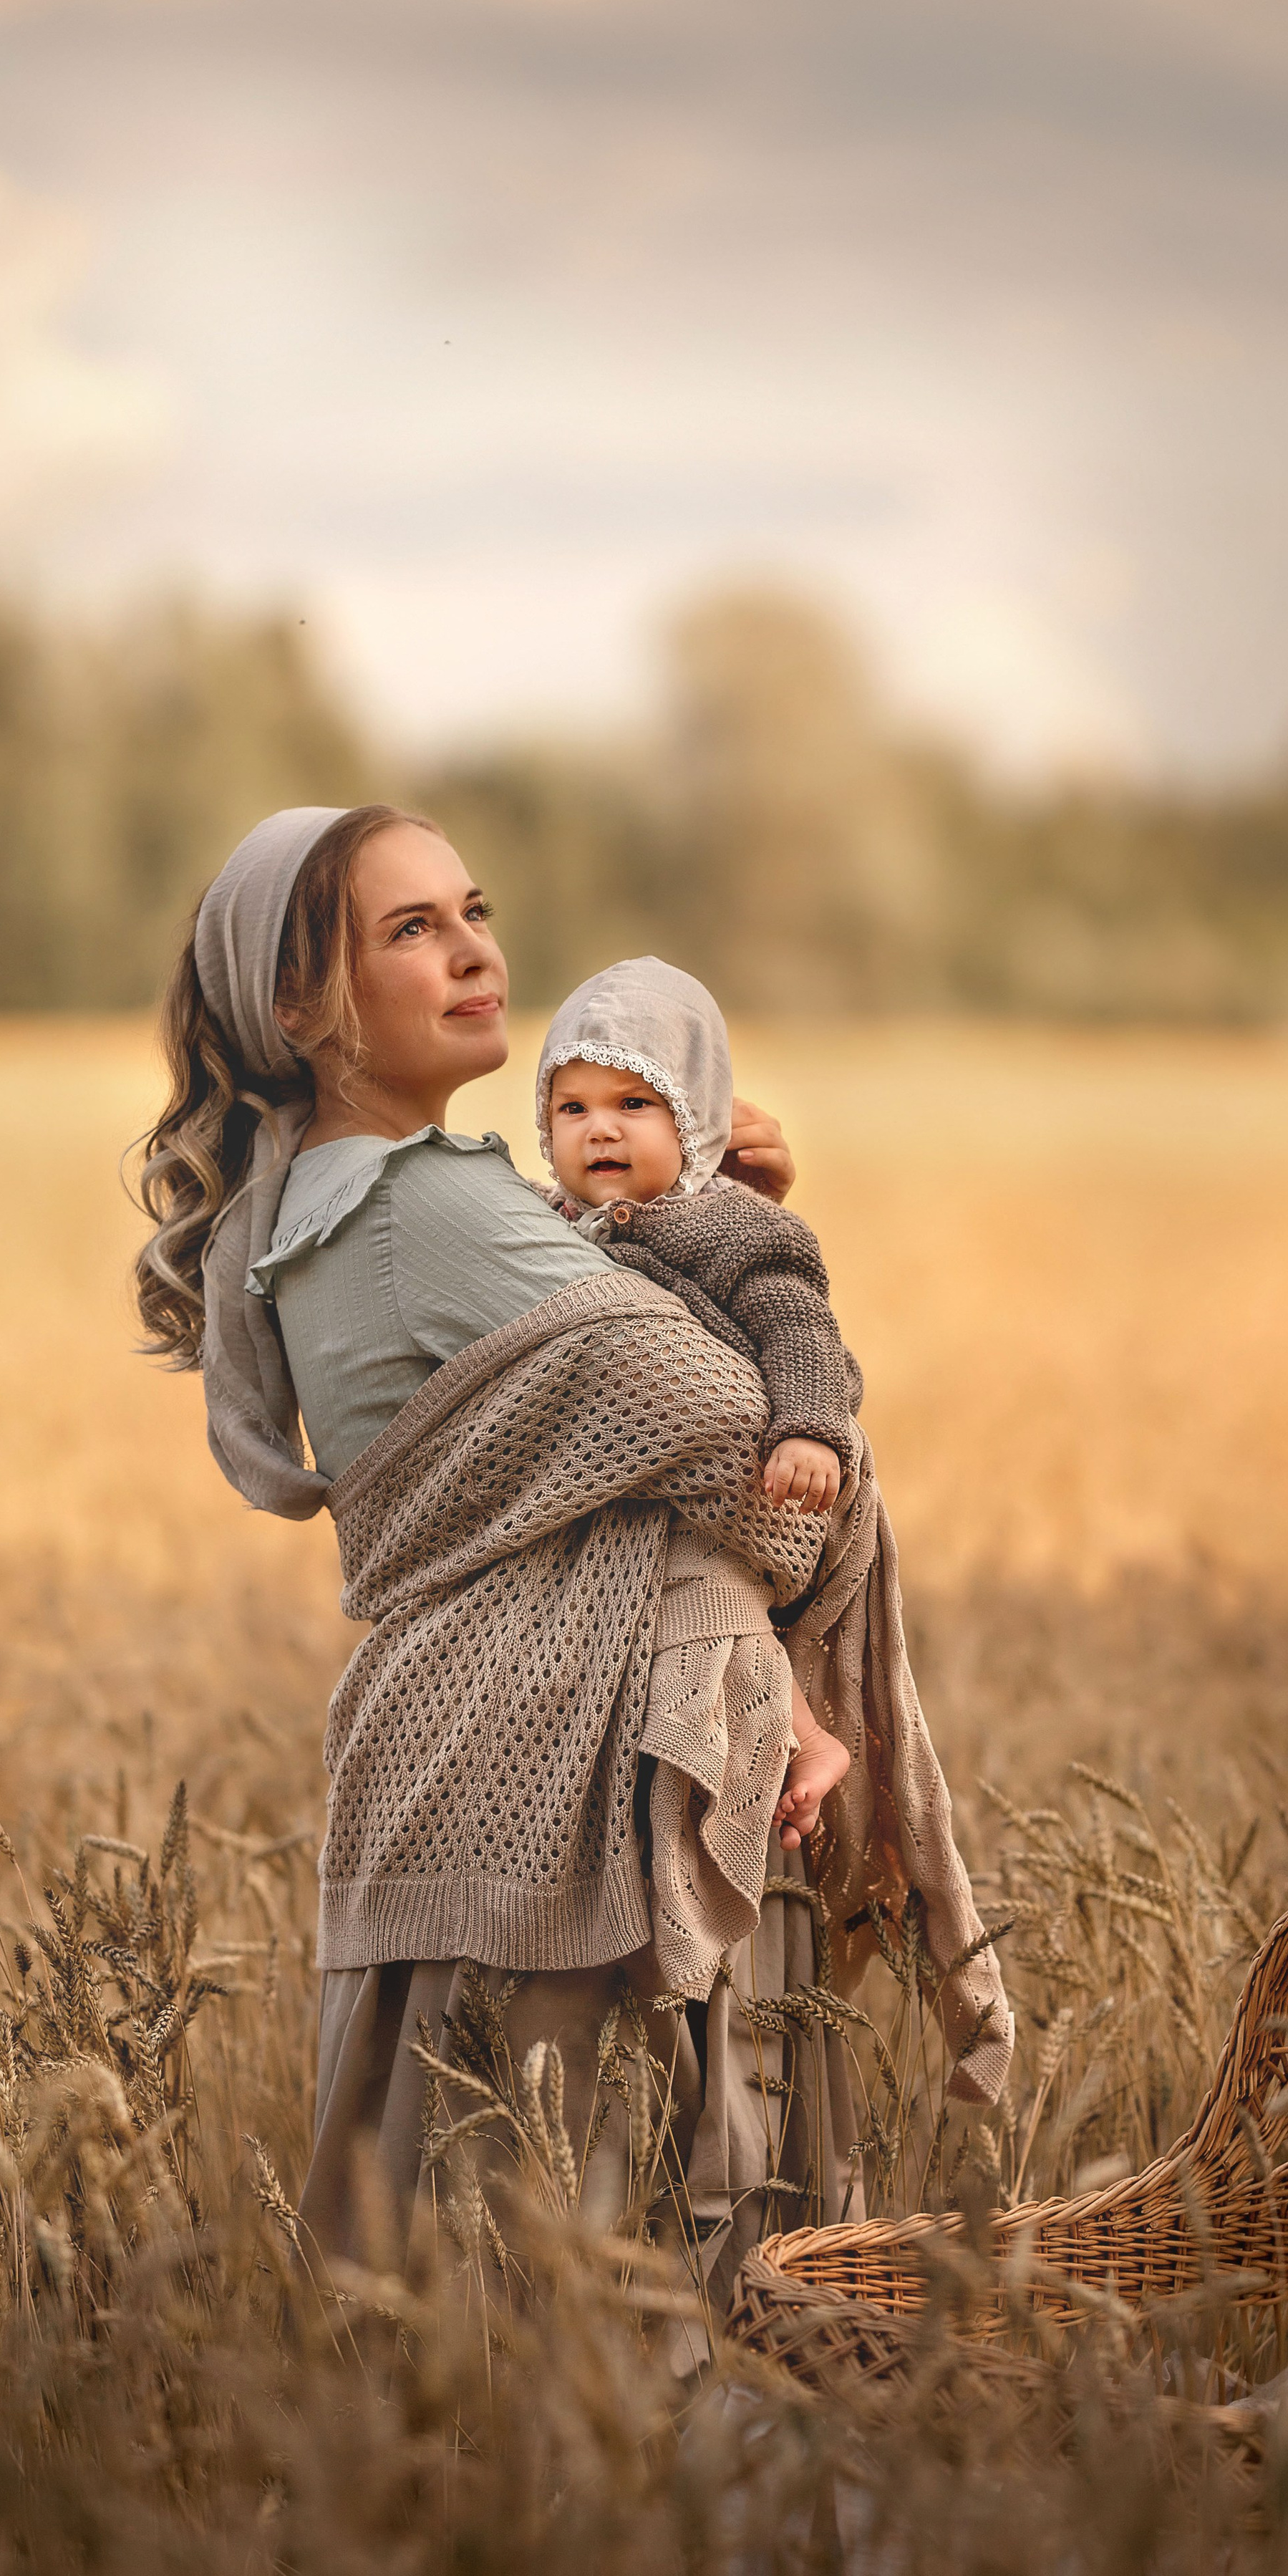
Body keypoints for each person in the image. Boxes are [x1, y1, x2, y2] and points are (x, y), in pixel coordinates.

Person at [133, 802, 1012, 2286]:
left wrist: (716, 1227)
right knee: (621, 2266)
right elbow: (757, 1469)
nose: (475, 949)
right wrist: (729, 1238)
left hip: (449, 1746)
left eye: (470, 909)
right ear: (296, 1005)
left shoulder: (309, 1202)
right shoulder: (434, 1201)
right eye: (410, 928)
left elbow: (592, 1425)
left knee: (458, 2273)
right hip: (577, 1759)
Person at [536, 956, 861, 1851]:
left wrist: (809, 1431)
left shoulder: (735, 1224)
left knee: (707, 1597)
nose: (600, 1128)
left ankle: (805, 1739)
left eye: (634, 1105)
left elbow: (801, 1330)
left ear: (696, 1122)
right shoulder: (542, 1221)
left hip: (730, 1482)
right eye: (574, 1108)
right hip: (625, 1478)